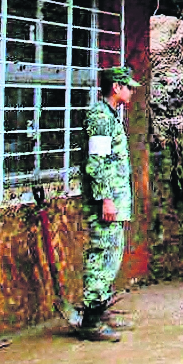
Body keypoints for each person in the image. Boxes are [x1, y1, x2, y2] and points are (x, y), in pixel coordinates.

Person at [77, 66, 141, 342]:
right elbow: (97, 162)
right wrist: (105, 198)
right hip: (107, 203)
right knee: (102, 256)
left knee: (111, 256)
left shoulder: (111, 116)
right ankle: (91, 320)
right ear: (116, 87)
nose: (131, 91)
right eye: (128, 87)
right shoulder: (100, 118)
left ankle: (101, 311)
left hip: (114, 201)